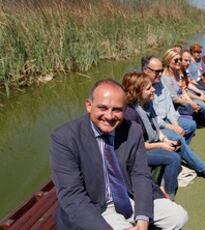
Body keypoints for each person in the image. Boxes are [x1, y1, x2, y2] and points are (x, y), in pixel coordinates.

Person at [50, 79, 188, 229]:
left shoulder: (132, 130)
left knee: (178, 217)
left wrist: (142, 218)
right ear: (89, 105)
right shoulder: (64, 138)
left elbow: (140, 174)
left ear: (124, 109)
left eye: (116, 109)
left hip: (129, 196)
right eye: (102, 108)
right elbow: (72, 196)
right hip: (97, 206)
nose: (109, 116)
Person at [122, 72, 182, 200]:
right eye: (149, 88)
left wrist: (165, 140)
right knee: (174, 158)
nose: (154, 89)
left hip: (149, 143)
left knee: (176, 144)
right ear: (137, 92)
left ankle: (163, 185)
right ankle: (168, 197)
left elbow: (156, 128)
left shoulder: (147, 105)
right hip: (136, 153)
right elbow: (135, 145)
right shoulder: (130, 114)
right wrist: (161, 145)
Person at [141, 55, 197, 144]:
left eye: (161, 71)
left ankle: (182, 150)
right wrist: (172, 127)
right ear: (145, 70)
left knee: (192, 125)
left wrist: (175, 124)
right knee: (177, 136)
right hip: (157, 125)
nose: (160, 74)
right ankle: (181, 151)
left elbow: (170, 105)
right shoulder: (142, 88)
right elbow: (153, 118)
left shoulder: (161, 80)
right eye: (157, 71)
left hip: (168, 118)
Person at [161, 49, 205, 128]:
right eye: (176, 60)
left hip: (182, 100)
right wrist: (190, 103)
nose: (179, 61)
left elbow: (183, 91)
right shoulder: (166, 77)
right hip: (174, 106)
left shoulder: (177, 73)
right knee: (200, 105)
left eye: (179, 59)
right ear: (168, 61)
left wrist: (191, 101)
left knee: (200, 102)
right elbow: (174, 99)